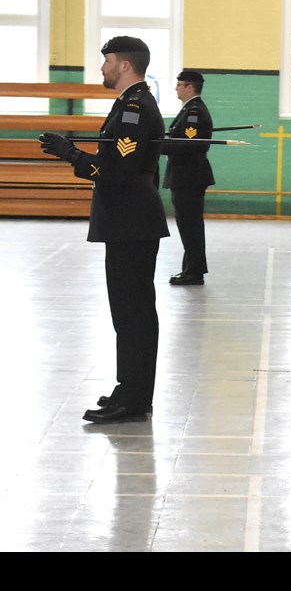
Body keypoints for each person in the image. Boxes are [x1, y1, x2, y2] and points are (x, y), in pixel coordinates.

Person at [38, 36, 170, 424]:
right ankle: (132, 390)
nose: (102, 68)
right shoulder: (131, 105)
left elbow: (119, 171)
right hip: (130, 223)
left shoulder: (134, 109)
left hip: (131, 222)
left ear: (125, 65)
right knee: (132, 313)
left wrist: (71, 154)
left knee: (132, 314)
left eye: (106, 60)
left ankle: (132, 397)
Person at [163, 70, 215, 286]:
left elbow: (189, 144)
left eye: (179, 85)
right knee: (188, 225)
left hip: (188, 176)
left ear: (189, 87)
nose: (176, 89)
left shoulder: (193, 112)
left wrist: (157, 146)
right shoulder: (190, 110)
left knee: (190, 225)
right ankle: (192, 269)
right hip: (187, 176)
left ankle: (193, 272)